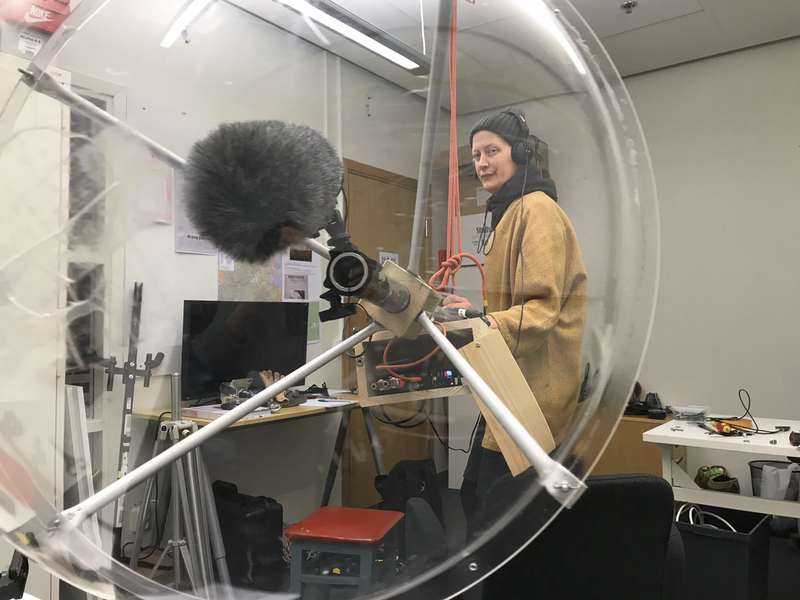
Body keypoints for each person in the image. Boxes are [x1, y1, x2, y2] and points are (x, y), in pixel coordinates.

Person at [443, 107, 588, 535]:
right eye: (476, 155)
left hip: (534, 396)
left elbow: (541, 307)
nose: (482, 163)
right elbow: (519, 304)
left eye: (492, 151)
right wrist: (474, 313)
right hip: (512, 389)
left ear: (521, 154)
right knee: (478, 499)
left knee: (500, 518)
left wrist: (482, 323)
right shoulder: (512, 211)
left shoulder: (536, 210)